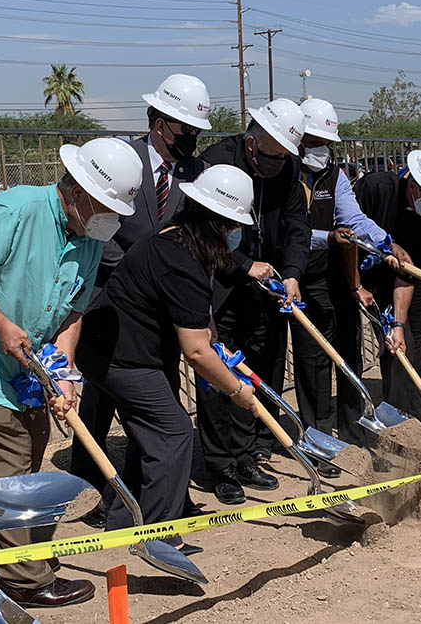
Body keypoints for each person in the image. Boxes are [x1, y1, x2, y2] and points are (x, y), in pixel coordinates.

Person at [0, 137, 142, 608]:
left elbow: (71, 312)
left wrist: (63, 372)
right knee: (9, 465)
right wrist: (2, 324)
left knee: (30, 454)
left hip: (31, 368)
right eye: (105, 205)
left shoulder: (88, 236)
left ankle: (1, 553)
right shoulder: (16, 210)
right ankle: (26, 579)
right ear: (78, 190)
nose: (111, 217)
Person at [76, 165, 258, 555]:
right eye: (230, 227)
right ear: (216, 224)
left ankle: (126, 523)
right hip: (120, 356)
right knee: (173, 431)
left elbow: (192, 313)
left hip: (115, 347)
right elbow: (194, 352)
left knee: (152, 432)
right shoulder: (182, 259)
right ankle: (156, 534)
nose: (233, 236)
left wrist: (209, 330)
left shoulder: (177, 239)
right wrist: (238, 390)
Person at [71, 74, 211, 527]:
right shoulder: (120, 159)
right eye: (186, 129)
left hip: (159, 308)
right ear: (161, 123)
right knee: (100, 401)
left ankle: (150, 497)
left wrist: (163, 279)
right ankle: (93, 490)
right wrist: (142, 266)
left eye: (196, 131)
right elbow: (95, 222)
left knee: (157, 400)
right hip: (106, 294)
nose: (191, 139)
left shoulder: (193, 173)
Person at [195, 98, 310, 505]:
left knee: (257, 370)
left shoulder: (288, 168)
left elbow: (298, 224)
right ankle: (219, 464)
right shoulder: (217, 163)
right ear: (250, 142)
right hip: (220, 285)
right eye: (270, 155)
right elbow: (204, 229)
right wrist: (243, 264)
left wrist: (293, 271)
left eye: (283, 156)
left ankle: (246, 455)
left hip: (267, 285)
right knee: (217, 374)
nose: (276, 164)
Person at [292, 98, 409, 467]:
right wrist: (325, 238)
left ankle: (353, 421)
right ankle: (317, 431)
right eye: (314, 141)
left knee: (349, 347)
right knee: (314, 358)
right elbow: (290, 231)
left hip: (335, 274)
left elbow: (353, 219)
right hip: (300, 274)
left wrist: (386, 241)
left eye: (326, 142)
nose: (321, 149)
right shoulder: (286, 174)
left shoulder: (335, 175)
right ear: (298, 138)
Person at [355, 145, 421, 423]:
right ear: (414, 184)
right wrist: (356, 285)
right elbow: (347, 231)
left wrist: (398, 325)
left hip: (393, 288)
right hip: (352, 277)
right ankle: (358, 415)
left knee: (404, 347)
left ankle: (410, 420)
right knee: (353, 350)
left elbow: (407, 276)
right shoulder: (375, 189)